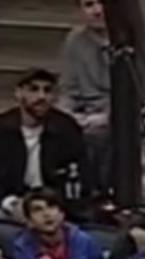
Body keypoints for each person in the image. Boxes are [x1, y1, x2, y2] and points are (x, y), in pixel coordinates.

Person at [0, 67, 89, 219]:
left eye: (47, 91)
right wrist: (11, 203)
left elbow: (80, 177)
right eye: (33, 89)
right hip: (12, 204)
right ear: (19, 93)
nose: (41, 96)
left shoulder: (66, 128)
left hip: (54, 206)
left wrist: (51, 206)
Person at [58, 0, 112, 187]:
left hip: (120, 113)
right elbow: (67, 89)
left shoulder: (135, 38)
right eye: (89, 5)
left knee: (98, 137)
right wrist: (67, 114)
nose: (97, 11)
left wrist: (107, 116)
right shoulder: (74, 41)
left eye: (103, 3)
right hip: (85, 113)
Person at [9, 188, 103, 259]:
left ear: (62, 214)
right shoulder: (22, 246)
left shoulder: (84, 241)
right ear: (29, 221)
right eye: (38, 210)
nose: (46, 214)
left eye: (51, 207)